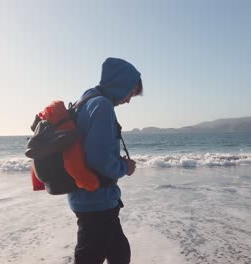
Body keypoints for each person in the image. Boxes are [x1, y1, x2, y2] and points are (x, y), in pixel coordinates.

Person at [69, 57, 143, 264]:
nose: (128, 100)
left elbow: (91, 150)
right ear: (121, 84)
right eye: (131, 92)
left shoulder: (85, 101)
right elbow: (99, 161)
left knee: (119, 253)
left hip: (90, 197)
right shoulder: (102, 106)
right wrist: (124, 167)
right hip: (96, 201)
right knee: (90, 258)